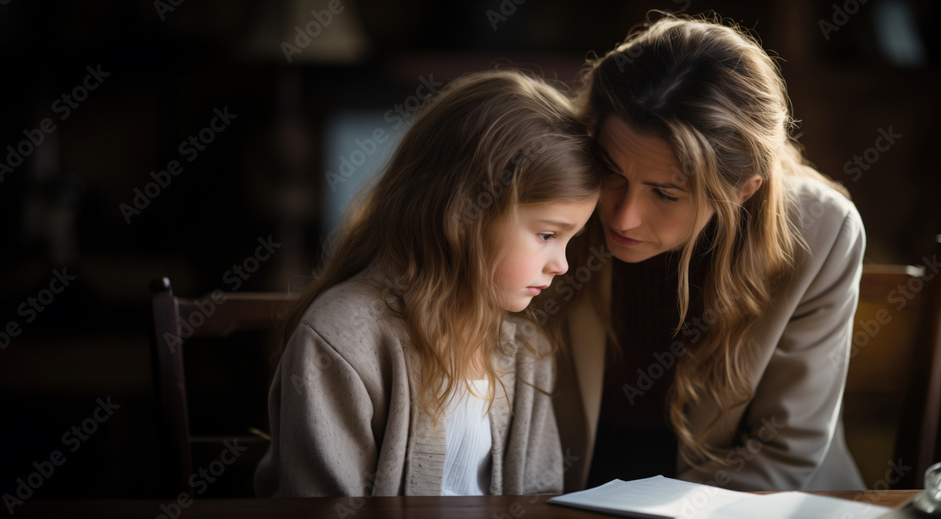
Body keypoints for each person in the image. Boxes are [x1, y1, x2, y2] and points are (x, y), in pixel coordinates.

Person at [555, 12, 866, 491]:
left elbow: (782, 451)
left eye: (665, 193)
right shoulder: (560, 195)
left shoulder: (823, 232)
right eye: (611, 171)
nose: (621, 218)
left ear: (743, 190)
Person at [253, 69, 602, 497]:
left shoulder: (526, 352)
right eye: (548, 234)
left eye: (571, 239)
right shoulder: (341, 340)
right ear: (463, 214)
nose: (562, 264)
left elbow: (537, 499)